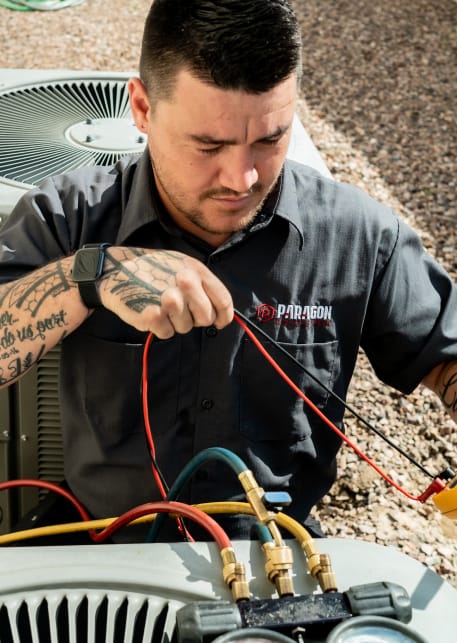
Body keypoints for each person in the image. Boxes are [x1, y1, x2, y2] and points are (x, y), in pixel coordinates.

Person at [0, 0, 456, 543]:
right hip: (103, 540)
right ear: (142, 108)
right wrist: (92, 275)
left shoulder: (360, 235)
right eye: (209, 145)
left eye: (269, 140)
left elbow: (446, 358)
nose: (241, 178)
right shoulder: (68, 217)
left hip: (277, 557)